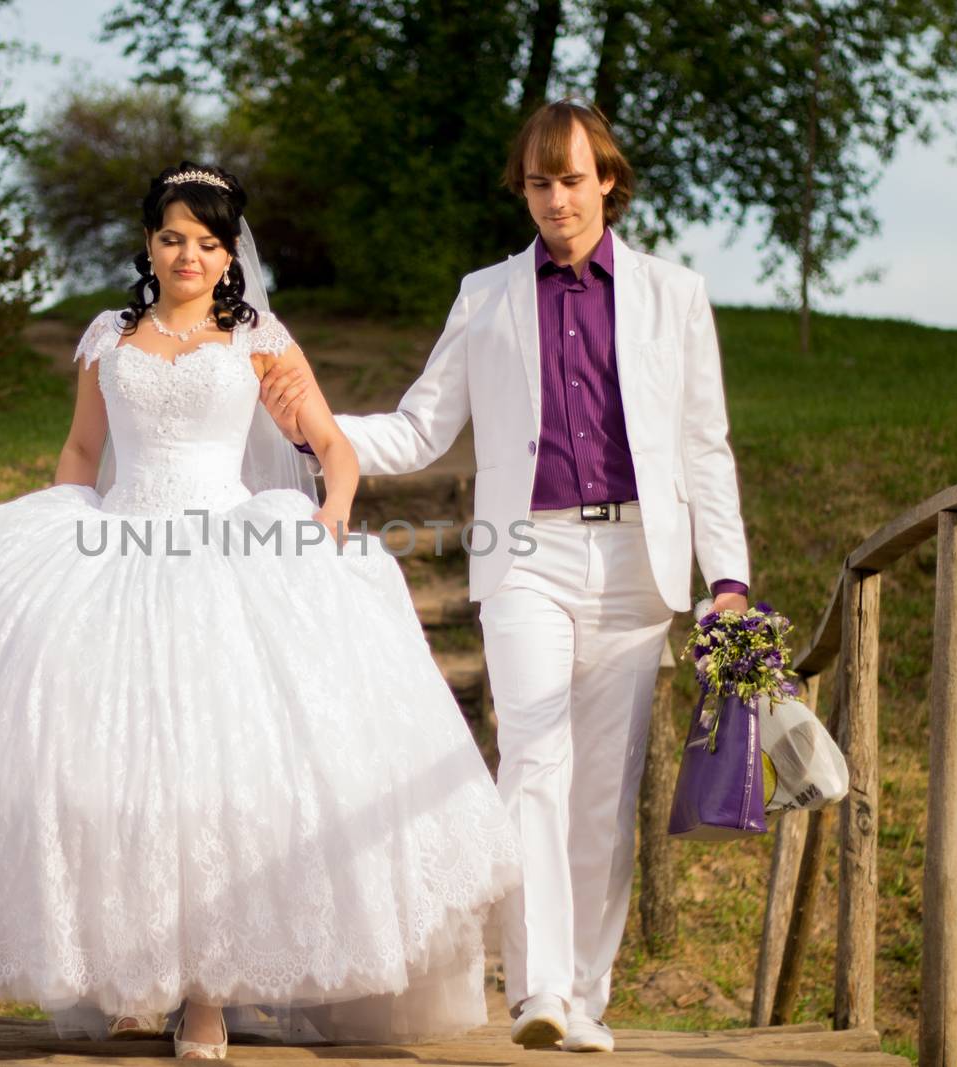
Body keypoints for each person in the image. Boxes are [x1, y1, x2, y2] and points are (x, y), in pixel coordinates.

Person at [0, 161, 520, 1060]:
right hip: (117, 550)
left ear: (229, 252)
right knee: (106, 773)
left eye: (207, 242)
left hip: (226, 551)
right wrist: (59, 533)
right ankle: (129, 976)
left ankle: (206, 995)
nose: (188, 255)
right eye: (172, 238)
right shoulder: (107, 337)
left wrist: (330, 514)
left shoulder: (258, 338)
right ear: (150, 244)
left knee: (216, 781)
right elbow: (83, 450)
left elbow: (330, 445)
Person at [260, 102, 752, 1053]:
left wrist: (727, 576)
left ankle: (589, 997)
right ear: (522, 190)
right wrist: (316, 427)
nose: (556, 199)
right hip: (526, 552)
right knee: (532, 758)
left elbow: (703, 445)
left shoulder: (672, 295)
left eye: (572, 179)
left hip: (640, 559)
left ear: (606, 178)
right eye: (538, 183)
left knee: (604, 792)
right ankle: (537, 990)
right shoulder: (486, 295)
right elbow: (420, 428)